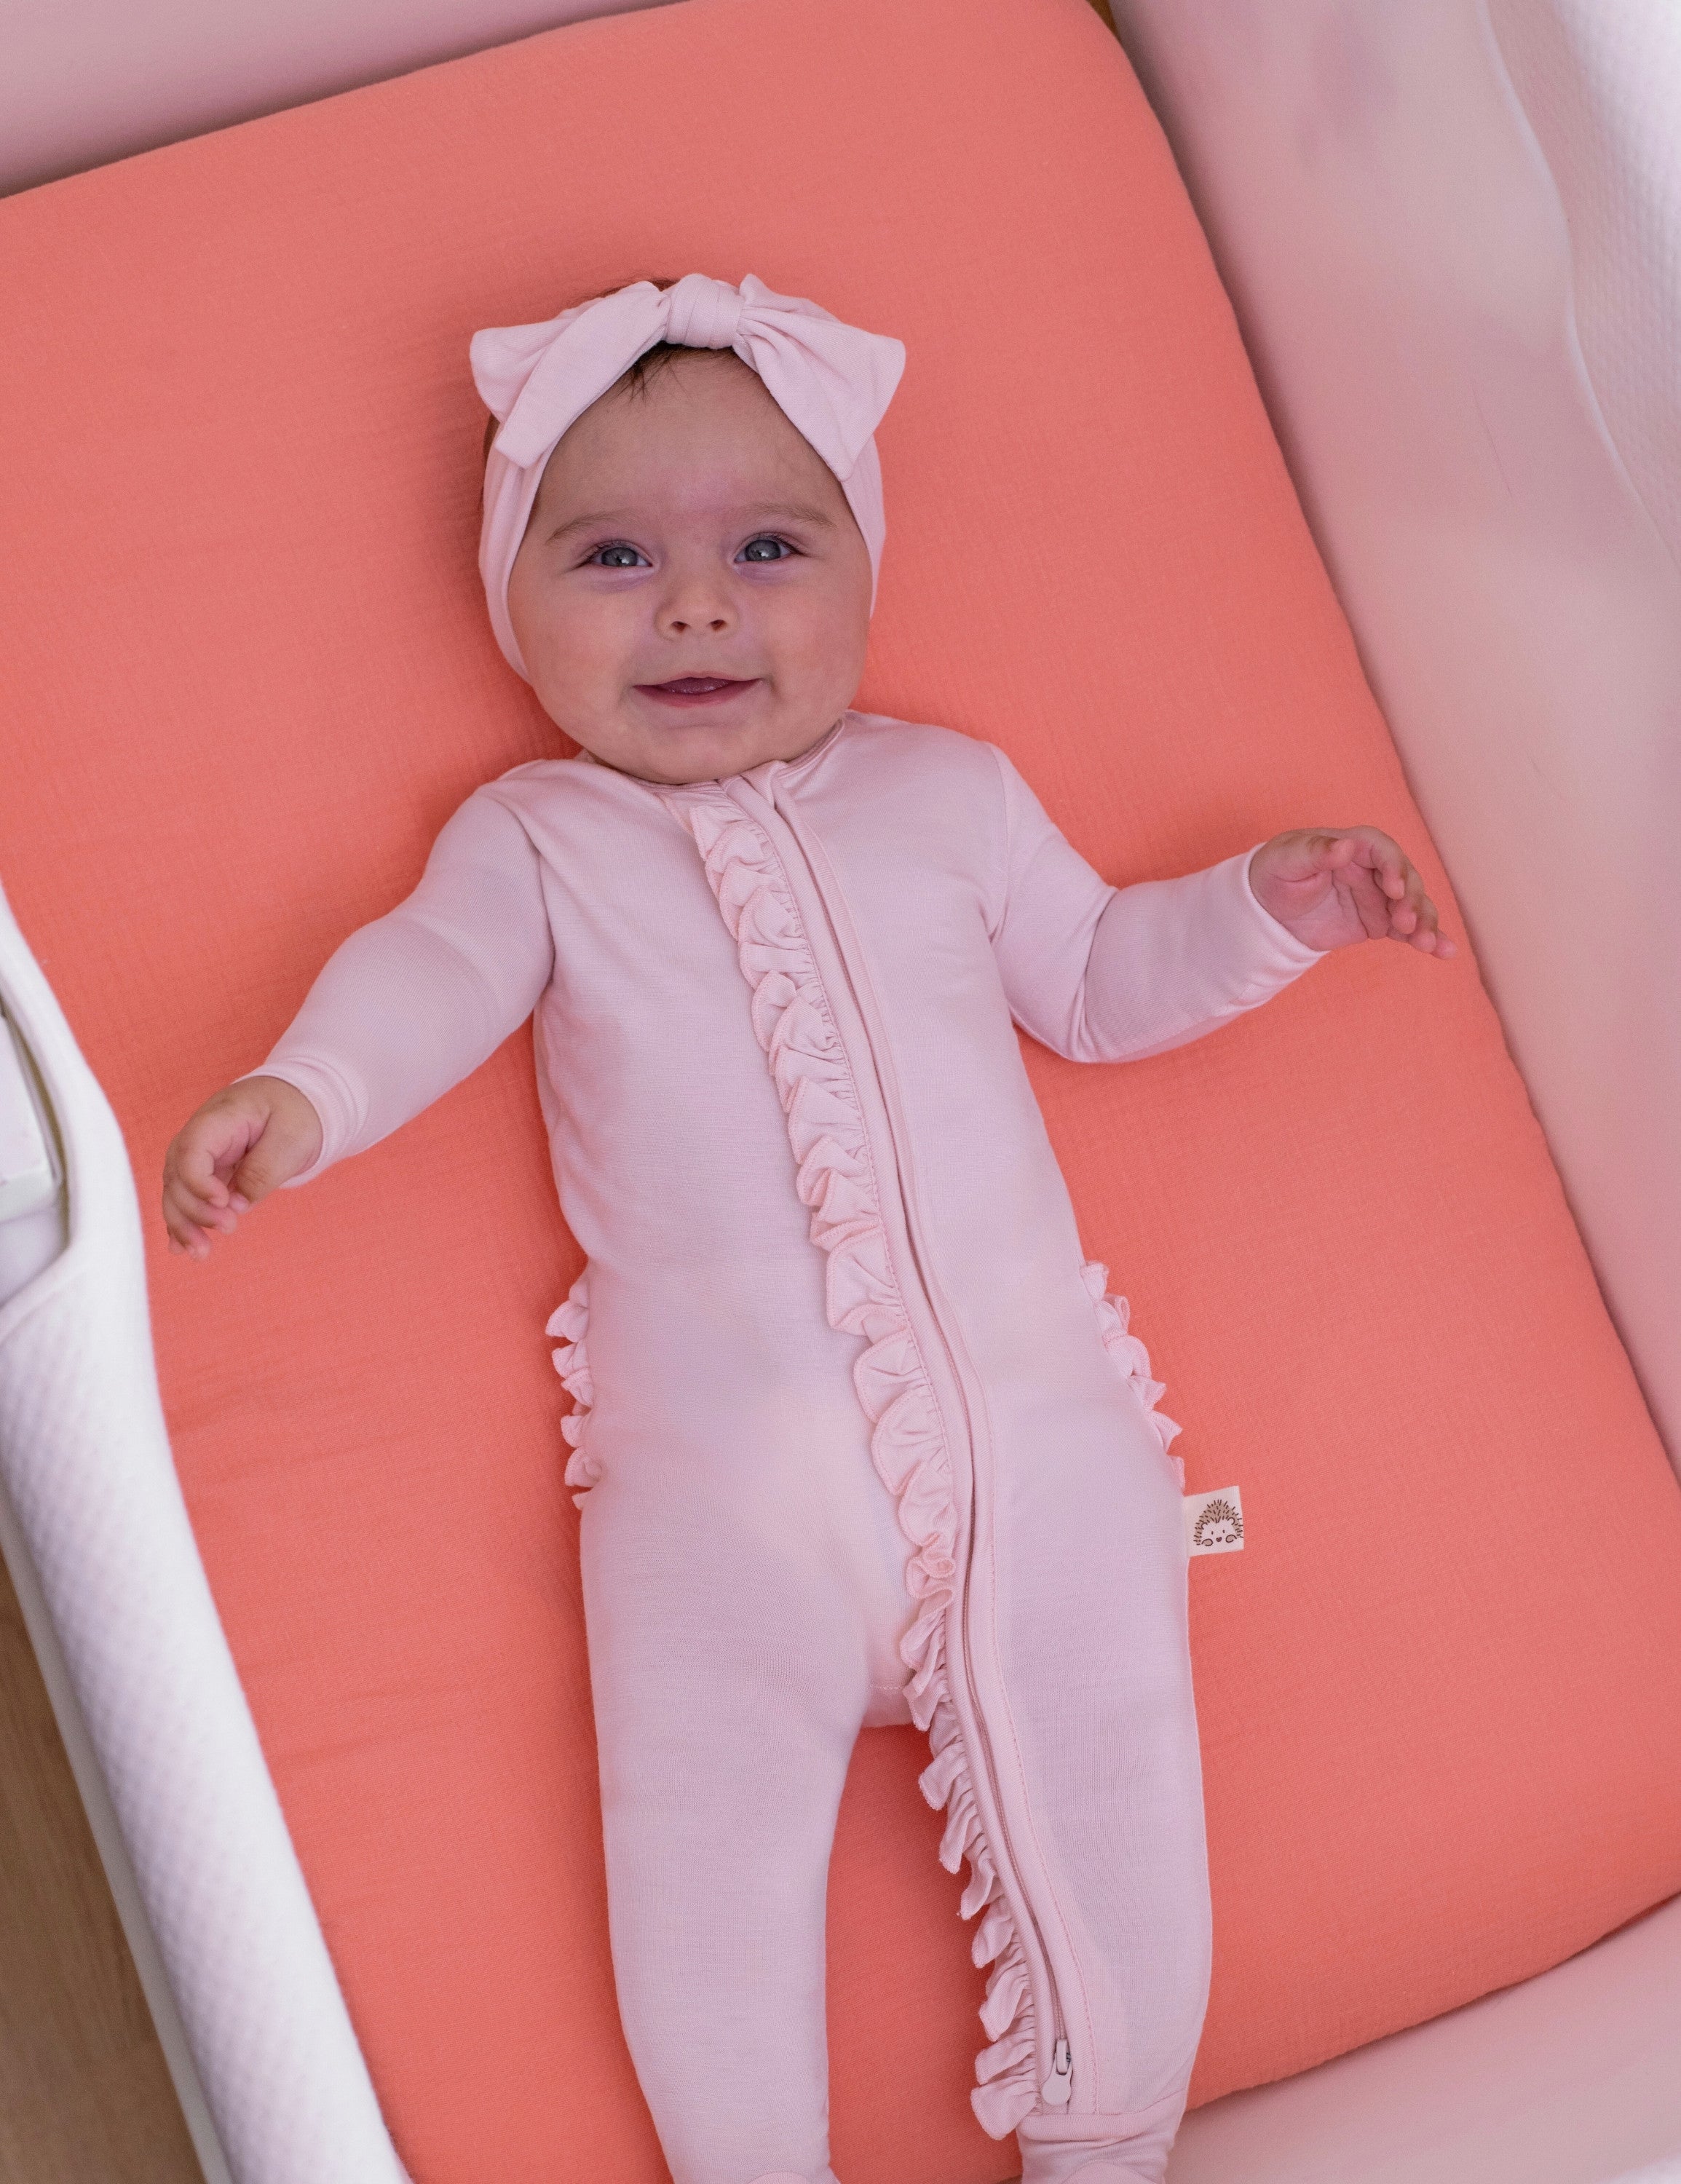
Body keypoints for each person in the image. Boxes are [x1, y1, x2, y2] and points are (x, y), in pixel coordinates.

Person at [162, 274, 1452, 2184]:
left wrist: (1270, 910)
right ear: (508, 604)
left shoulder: (950, 794)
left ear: (867, 569)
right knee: (697, 1871)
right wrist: (308, 1096)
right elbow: (424, 972)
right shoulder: (535, 842)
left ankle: (1114, 2152)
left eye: (771, 545)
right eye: (610, 556)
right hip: (717, 1499)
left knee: (1121, 1797)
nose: (696, 604)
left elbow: (1098, 976)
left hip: (1042, 1452)